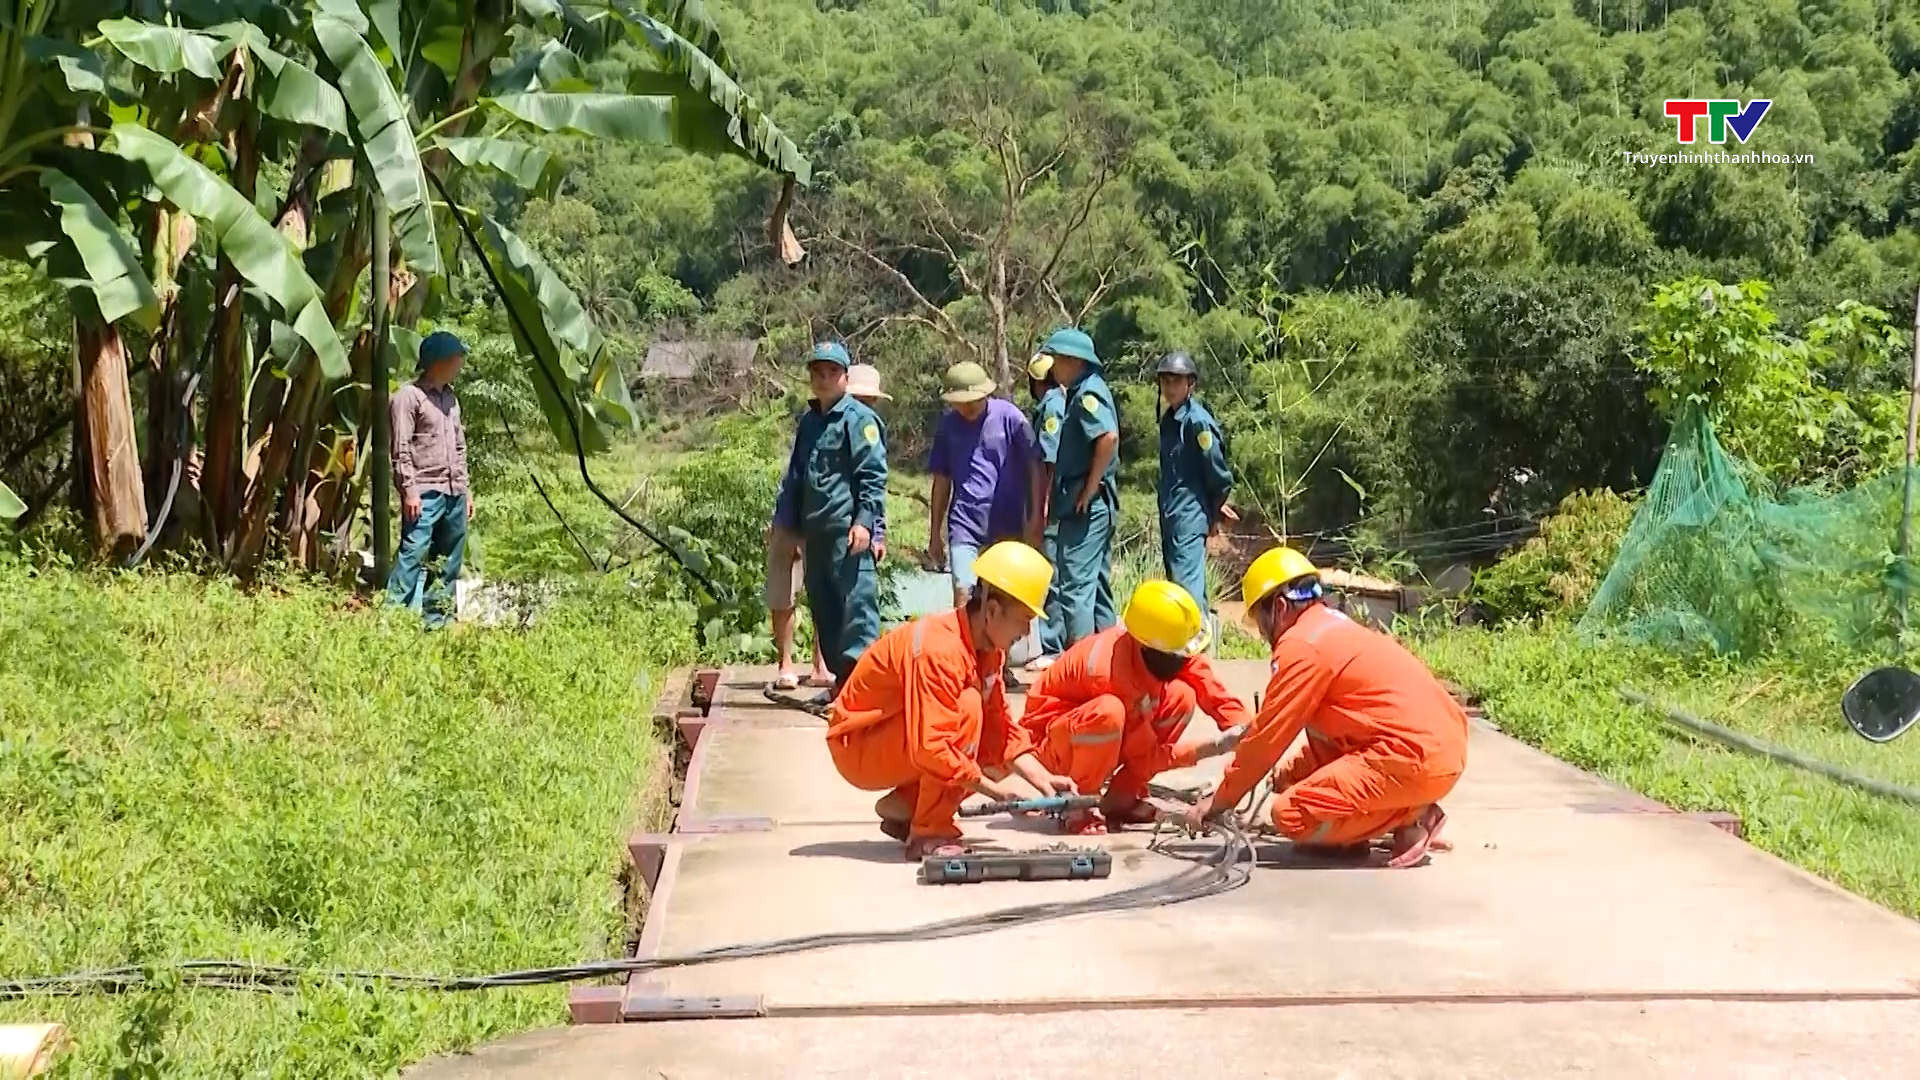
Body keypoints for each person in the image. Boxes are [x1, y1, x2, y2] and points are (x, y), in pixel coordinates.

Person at [1182, 547, 1467, 868]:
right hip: (1436, 748)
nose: (1262, 633)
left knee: (1291, 814)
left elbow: (1266, 739)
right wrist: (1290, 773)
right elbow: (1332, 735)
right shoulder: (1334, 627)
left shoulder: (1301, 647)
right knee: (1294, 785)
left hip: (1414, 758)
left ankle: (1412, 814)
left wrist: (1219, 801)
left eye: (1259, 621)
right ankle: (1389, 816)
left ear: (1278, 607)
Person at [825, 541, 1077, 860]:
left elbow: (1002, 732)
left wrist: (1044, 780)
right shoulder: (940, 650)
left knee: (988, 734)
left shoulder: (988, 650)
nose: (1027, 632)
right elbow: (931, 746)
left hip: (898, 738)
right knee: (968, 708)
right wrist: (994, 792)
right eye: (1024, 618)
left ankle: (906, 806)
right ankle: (929, 831)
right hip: (859, 746)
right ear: (993, 610)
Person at [1021, 579, 1253, 834]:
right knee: (1109, 714)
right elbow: (1148, 756)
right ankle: (1079, 803)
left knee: (1182, 696)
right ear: (1149, 647)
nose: (1187, 659)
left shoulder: (1164, 644)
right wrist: (1215, 747)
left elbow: (1208, 686)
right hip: (1052, 743)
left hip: (1094, 730)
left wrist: (1246, 731)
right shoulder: (1110, 675)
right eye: (1180, 654)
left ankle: (1123, 797)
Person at [771, 342, 888, 699]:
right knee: (825, 608)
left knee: (857, 609)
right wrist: (787, 528)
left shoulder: (860, 420)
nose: (824, 379)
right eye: (817, 373)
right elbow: (796, 478)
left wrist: (865, 523)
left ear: (845, 377)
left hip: (846, 533)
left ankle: (863, 690)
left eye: (832, 372)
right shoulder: (810, 422)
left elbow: (872, 476)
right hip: (815, 533)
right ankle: (842, 685)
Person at [927, 361, 1040, 609]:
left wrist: (1036, 517)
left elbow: (1036, 467)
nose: (967, 407)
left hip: (1008, 525)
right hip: (964, 523)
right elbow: (941, 480)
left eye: (973, 401)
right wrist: (935, 533)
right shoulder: (948, 426)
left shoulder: (1010, 418)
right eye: (961, 402)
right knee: (964, 596)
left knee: (1004, 601)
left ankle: (1002, 649)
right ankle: (964, 648)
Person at [387, 330, 473, 630]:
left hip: (454, 491)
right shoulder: (407, 398)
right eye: (456, 358)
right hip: (425, 491)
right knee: (412, 555)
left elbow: (460, 447)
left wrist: (466, 490)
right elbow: (400, 448)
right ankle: (392, 620)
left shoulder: (451, 399)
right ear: (439, 361)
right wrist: (409, 491)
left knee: (447, 563)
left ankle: (436, 624)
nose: (459, 364)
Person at [1039, 327, 1118, 649]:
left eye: (1057, 359)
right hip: (1093, 503)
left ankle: (1082, 664)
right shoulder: (1085, 390)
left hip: (1086, 505)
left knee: (1075, 586)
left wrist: (1089, 486)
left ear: (1073, 361)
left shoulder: (1086, 395)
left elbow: (1107, 437)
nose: (1053, 366)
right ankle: (1107, 660)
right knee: (1097, 586)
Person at [1155, 351, 1236, 636]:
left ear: (1191, 384)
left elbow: (1218, 471)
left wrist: (1216, 506)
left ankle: (1195, 652)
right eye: (1165, 380)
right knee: (1181, 585)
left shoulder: (1196, 422)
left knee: (1186, 589)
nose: (1169, 387)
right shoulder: (1169, 419)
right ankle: (1195, 648)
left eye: (1176, 381)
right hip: (1172, 515)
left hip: (1189, 516)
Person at [1025, 353, 1068, 670]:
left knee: (1050, 575)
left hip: (1051, 507)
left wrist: (1040, 511)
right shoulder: (1056, 402)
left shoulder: (1051, 406)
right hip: (1052, 505)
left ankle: (1053, 647)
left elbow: (1048, 463)